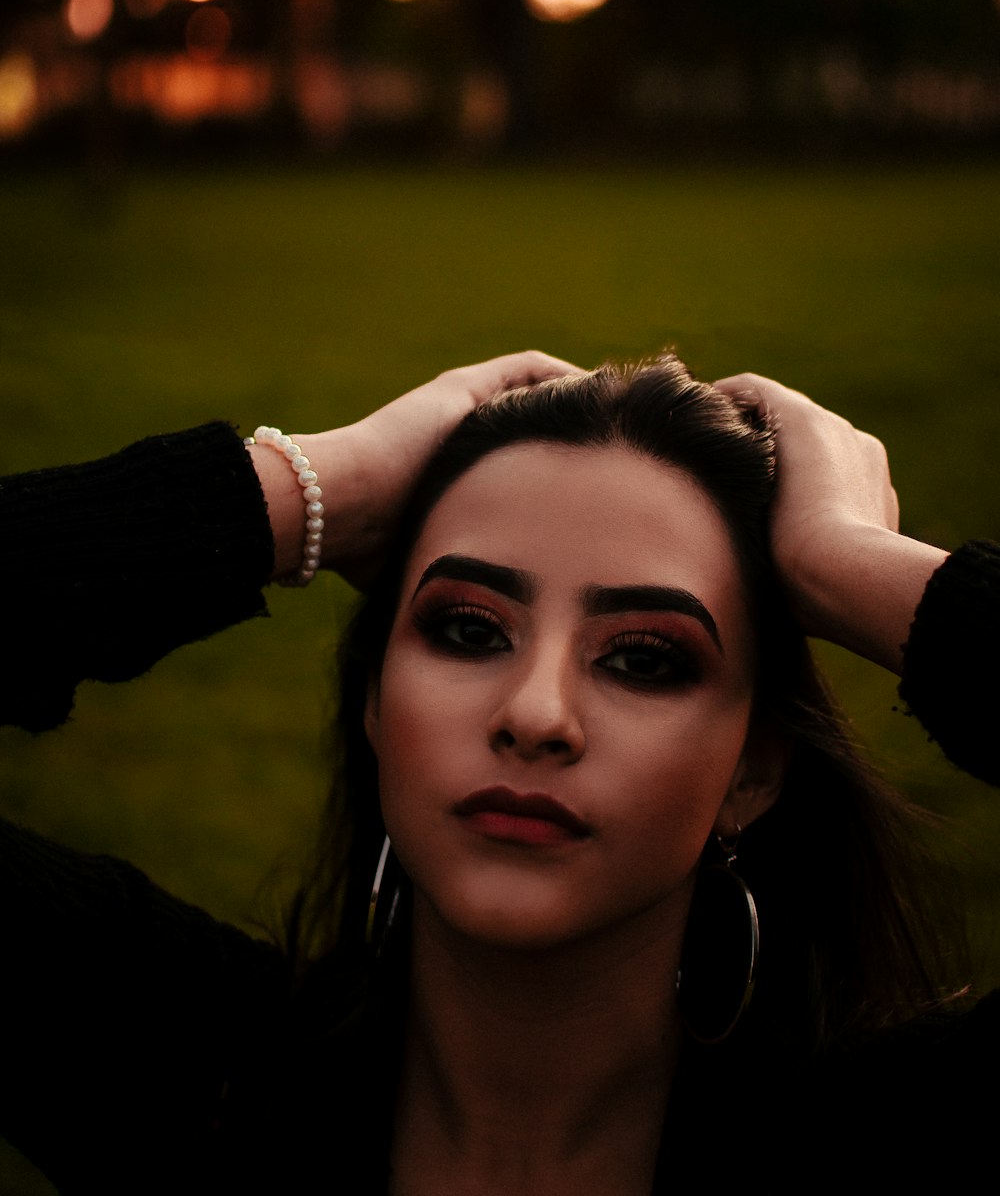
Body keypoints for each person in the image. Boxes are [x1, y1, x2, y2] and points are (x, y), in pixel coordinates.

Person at [0, 350, 997, 1194]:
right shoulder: (188, 1074)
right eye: (469, 629)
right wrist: (304, 492)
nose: (534, 714)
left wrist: (845, 560)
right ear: (377, 705)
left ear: (753, 769)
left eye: (644, 658)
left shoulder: (892, 1143)